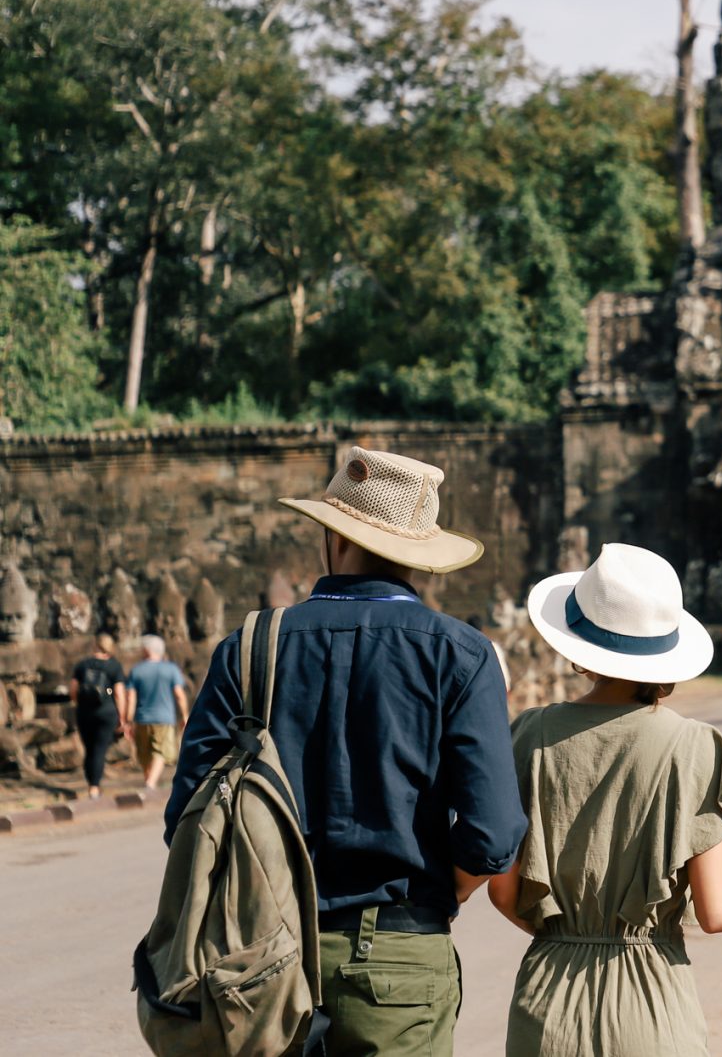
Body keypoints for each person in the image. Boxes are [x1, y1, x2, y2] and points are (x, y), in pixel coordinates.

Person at [168, 447, 526, 1057]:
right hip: (400, 955)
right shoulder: (460, 655)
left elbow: (188, 819)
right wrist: (446, 893)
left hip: (254, 950)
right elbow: (492, 838)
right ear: (420, 554)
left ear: (333, 537)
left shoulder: (249, 647)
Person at [490, 543, 722, 1056]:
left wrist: (568, 935)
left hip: (546, 1000)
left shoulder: (528, 736)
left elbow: (504, 894)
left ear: (578, 647)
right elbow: (717, 912)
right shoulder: (694, 748)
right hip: (652, 1002)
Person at [125, 634, 189, 790]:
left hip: (141, 718)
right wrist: (185, 715)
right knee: (159, 752)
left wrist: (128, 720)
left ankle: (150, 784)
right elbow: (179, 695)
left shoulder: (137, 670)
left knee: (145, 755)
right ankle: (150, 784)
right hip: (164, 718)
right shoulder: (171, 669)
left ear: (146, 650)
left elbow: (131, 698)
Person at [70, 633, 127, 799]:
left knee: (89, 749)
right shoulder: (114, 666)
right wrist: (122, 717)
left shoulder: (82, 665)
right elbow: (119, 693)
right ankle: (94, 787)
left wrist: (80, 703)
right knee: (99, 749)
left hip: (85, 713)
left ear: (96, 645)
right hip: (106, 712)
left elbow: (73, 689)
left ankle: (91, 783)